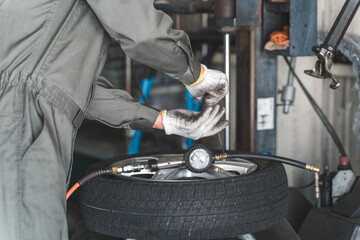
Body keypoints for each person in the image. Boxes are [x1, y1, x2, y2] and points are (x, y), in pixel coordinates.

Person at [0, 0, 229, 239]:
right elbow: (144, 33)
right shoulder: (24, 95)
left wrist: (163, 120)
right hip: (21, 124)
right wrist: (195, 74)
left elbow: (67, 89)